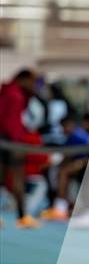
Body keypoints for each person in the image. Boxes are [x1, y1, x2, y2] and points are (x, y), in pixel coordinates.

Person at [0, 68, 41, 227]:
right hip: (10, 140)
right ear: (24, 79)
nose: (34, 85)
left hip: (7, 139)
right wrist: (18, 142)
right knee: (17, 178)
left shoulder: (8, 92)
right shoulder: (15, 96)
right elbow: (11, 122)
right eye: (32, 81)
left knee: (7, 179)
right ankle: (23, 217)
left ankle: (23, 216)